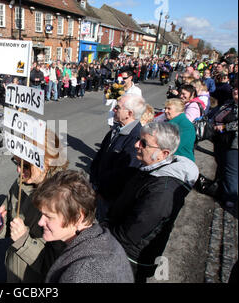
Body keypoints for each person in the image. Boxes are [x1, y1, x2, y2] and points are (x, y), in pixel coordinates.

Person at [103, 122, 199, 282]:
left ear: (163, 153)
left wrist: (98, 234)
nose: (136, 144)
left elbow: (130, 235)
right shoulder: (151, 170)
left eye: (143, 143)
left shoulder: (162, 192)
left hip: (128, 261)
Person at [0, 129, 69, 283]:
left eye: (25, 165)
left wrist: (24, 241)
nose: (18, 170)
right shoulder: (20, 183)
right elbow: (8, 219)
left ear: (47, 162)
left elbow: (56, 263)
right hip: (14, 270)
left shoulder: (64, 199)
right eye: (16, 162)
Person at [31, 170, 134, 283]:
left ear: (77, 218)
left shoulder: (80, 274)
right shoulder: (101, 238)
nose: (40, 222)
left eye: (48, 216)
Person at [90, 93, 146, 221]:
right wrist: (94, 181)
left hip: (108, 198)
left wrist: (102, 192)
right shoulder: (116, 129)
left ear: (129, 113)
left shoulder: (135, 139)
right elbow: (99, 156)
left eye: (118, 107)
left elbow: (124, 175)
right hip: (98, 189)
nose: (114, 109)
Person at [212, 83, 238, 209]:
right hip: (221, 140)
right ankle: (221, 191)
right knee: (222, 165)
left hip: (234, 143)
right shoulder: (229, 102)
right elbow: (216, 113)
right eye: (235, 89)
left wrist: (224, 127)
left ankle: (230, 198)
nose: (236, 91)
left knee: (231, 171)